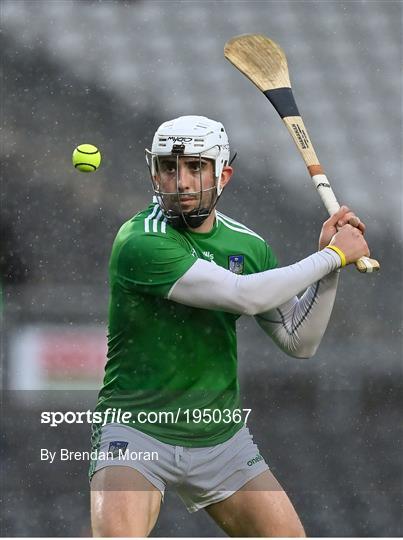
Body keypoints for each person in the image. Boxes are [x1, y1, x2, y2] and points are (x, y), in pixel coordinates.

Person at [89, 115, 369, 537]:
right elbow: (244, 294)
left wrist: (331, 267)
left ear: (225, 174)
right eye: (169, 167)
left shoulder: (248, 246)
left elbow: (299, 341)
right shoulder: (140, 241)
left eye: (195, 167)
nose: (180, 181)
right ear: (155, 172)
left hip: (220, 436)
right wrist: (331, 257)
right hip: (137, 432)